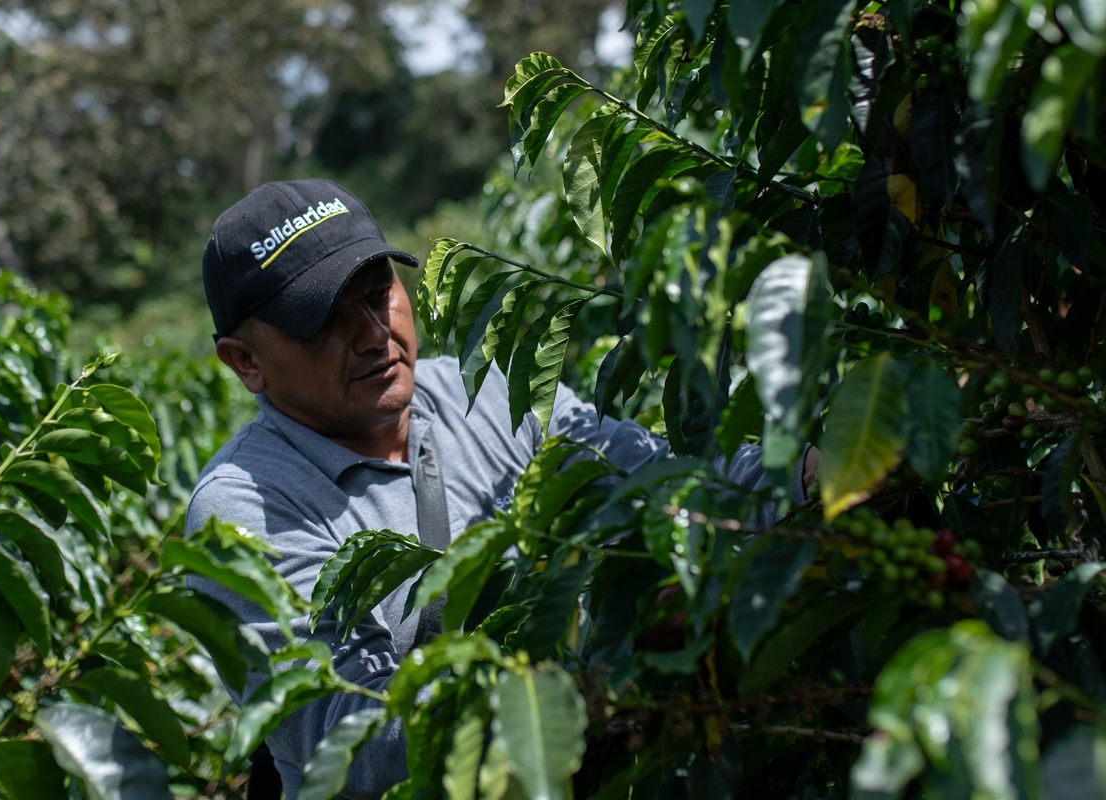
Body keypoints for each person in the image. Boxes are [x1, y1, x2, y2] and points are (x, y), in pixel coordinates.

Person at [185, 178, 816, 799]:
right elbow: (350, 739)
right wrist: (596, 655)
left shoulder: (479, 393)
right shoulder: (245, 509)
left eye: (380, 295)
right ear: (246, 361)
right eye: (323, 320)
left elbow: (661, 475)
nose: (374, 334)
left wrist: (815, 473)